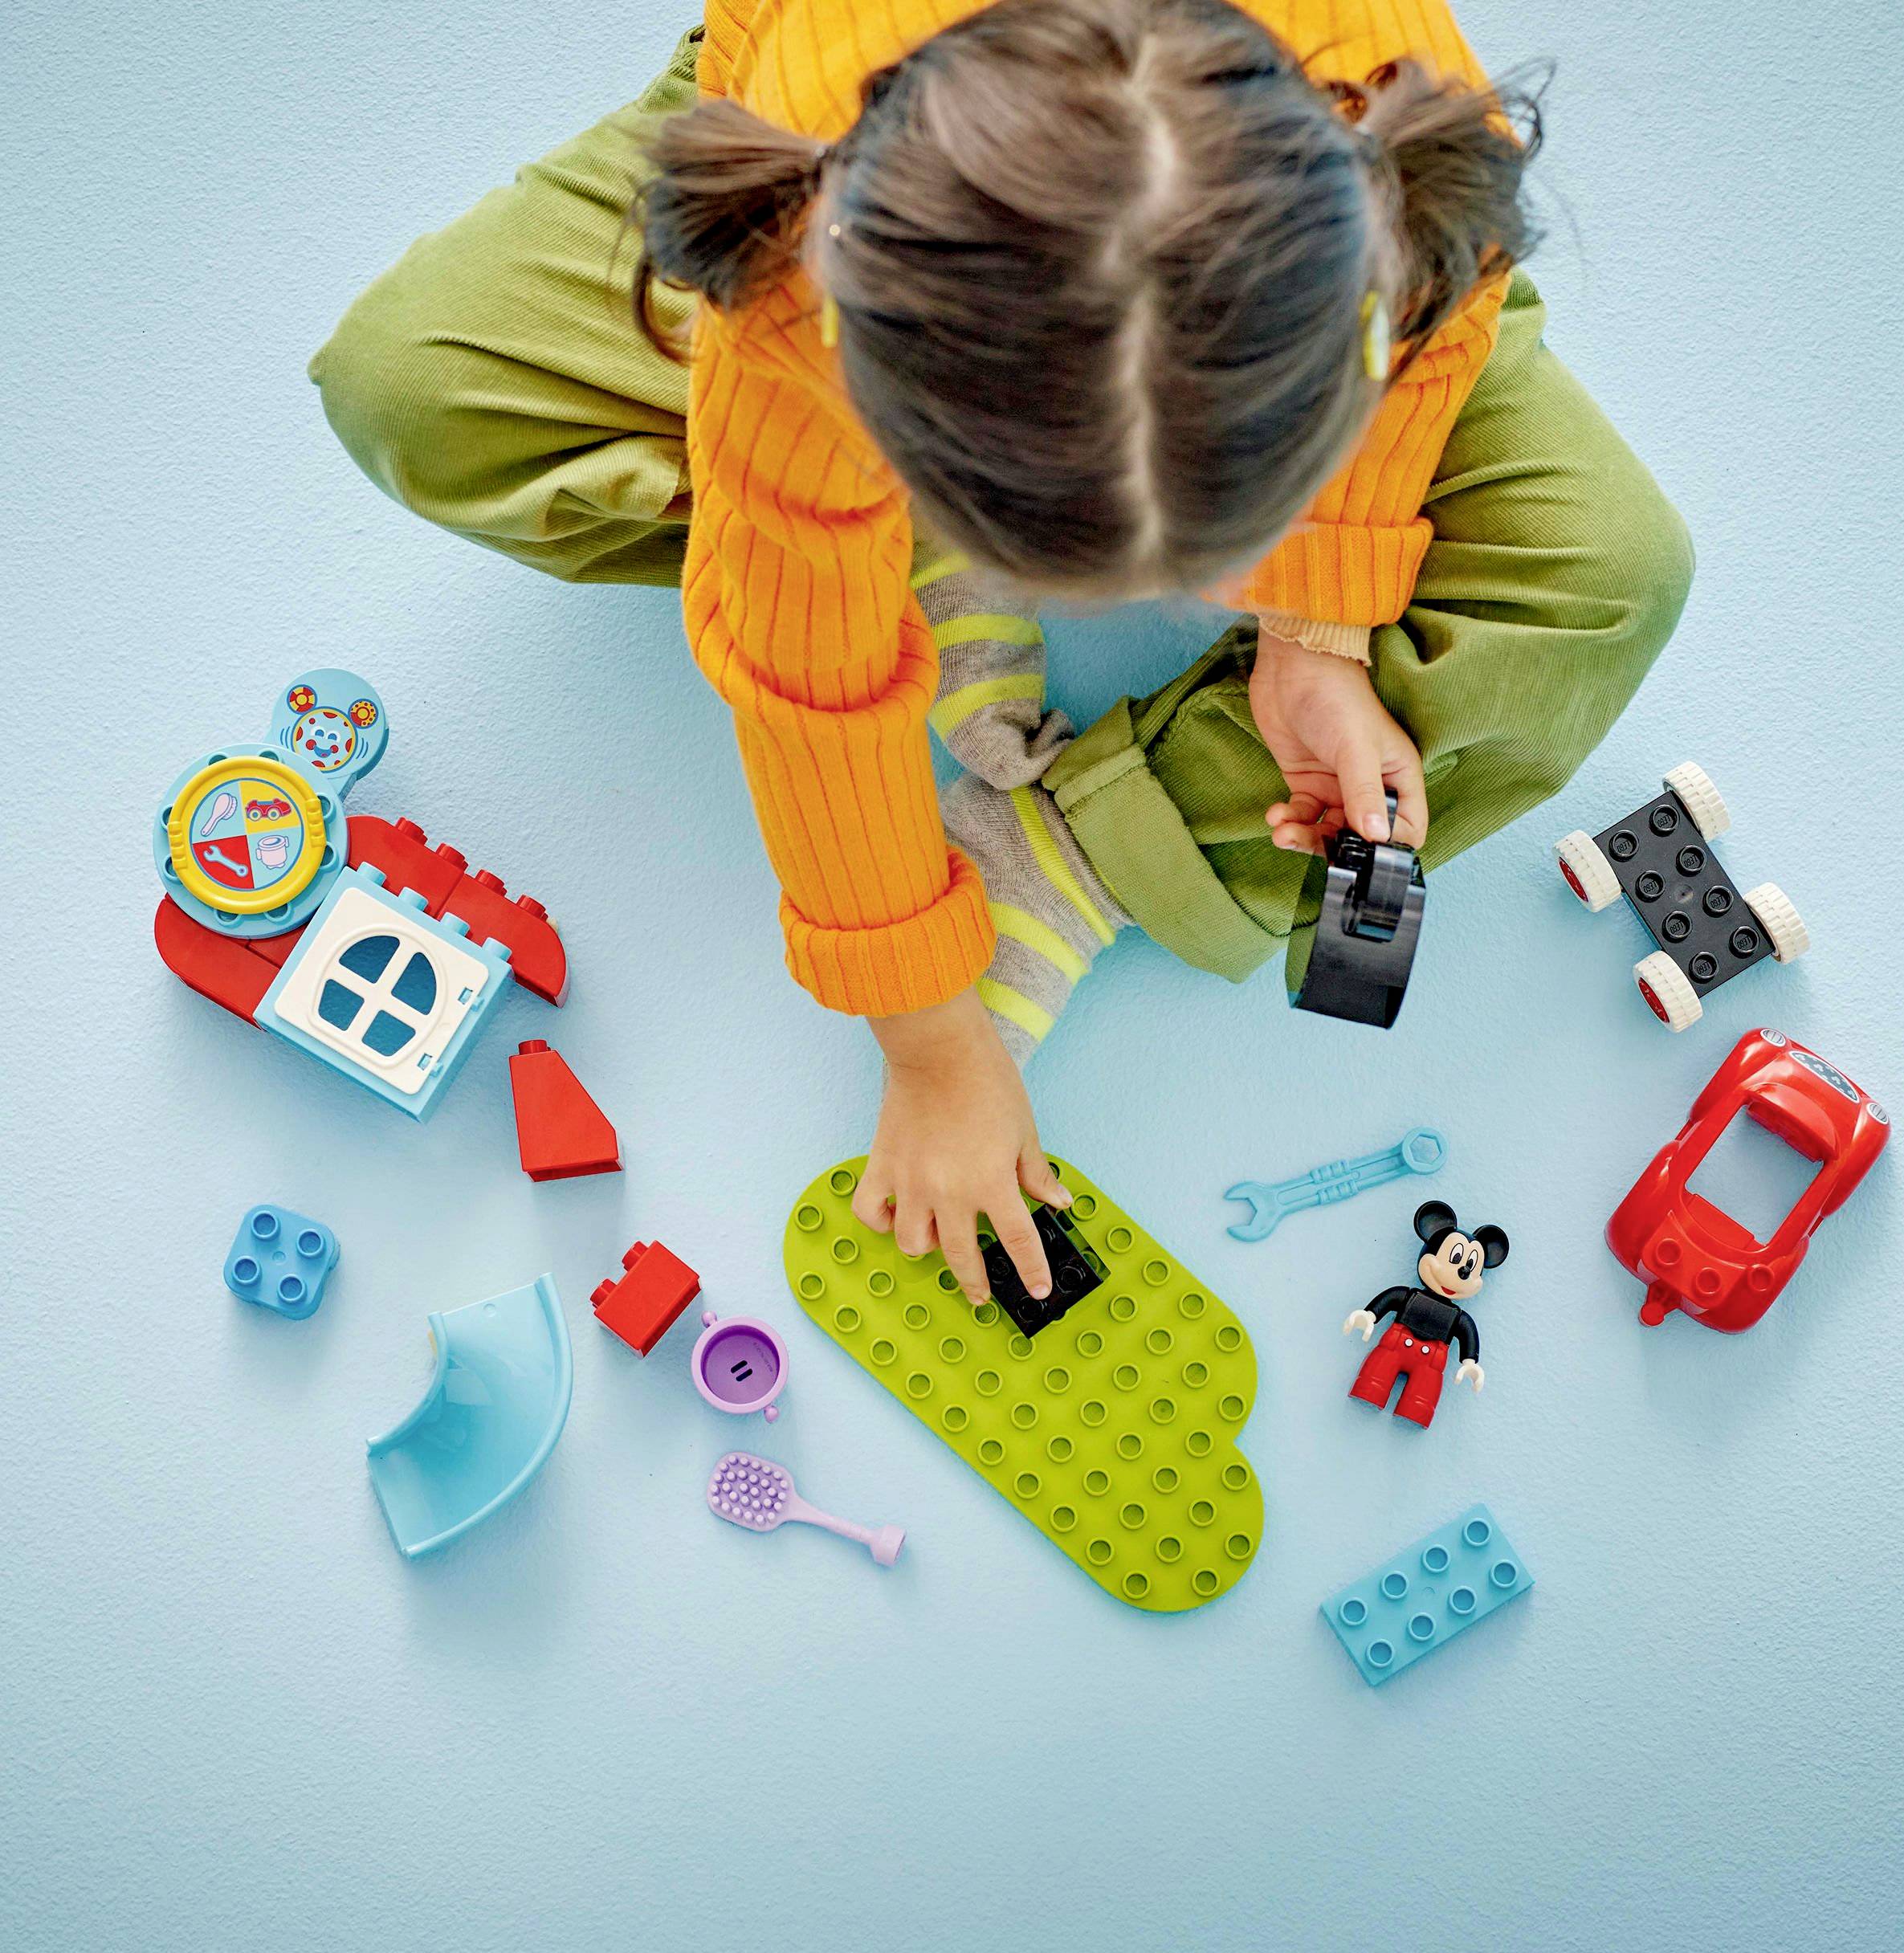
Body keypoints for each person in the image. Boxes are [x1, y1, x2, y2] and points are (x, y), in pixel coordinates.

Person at [312, 0, 1693, 1307]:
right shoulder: (804, 262)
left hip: (1260, 247)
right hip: (845, 149)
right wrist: (932, 1042)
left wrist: (1318, 624)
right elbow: (803, 681)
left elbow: (1448, 313)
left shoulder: (1394, 104)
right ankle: (912, 534)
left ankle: (1077, 849)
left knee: (1610, 576)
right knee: (421, 394)